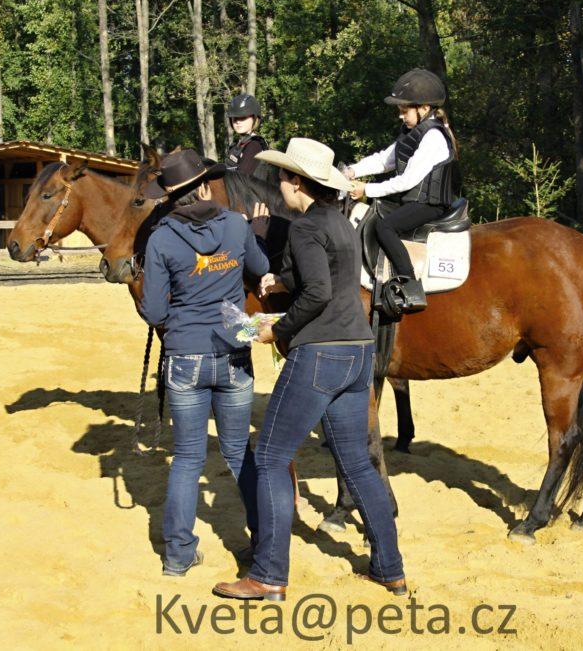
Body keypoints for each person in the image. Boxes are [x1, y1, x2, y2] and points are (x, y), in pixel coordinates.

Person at [212, 138, 407, 602]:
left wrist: (276, 331)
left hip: (320, 353)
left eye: (283, 177)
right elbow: (332, 277)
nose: (279, 185)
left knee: (269, 457)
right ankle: (390, 569)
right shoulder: (339, 222)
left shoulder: (303, 228)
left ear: (298, 183)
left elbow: (318, 293)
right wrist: (282, 280)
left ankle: (268, 575)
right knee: (356, 462)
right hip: (357, 350)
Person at [139, 148, 272, 576]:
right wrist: (256, 231)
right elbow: (260, 267)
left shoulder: (160, 239)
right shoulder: (235, 224)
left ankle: (178, 555)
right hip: (234, 349)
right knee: (239, 452)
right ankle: (263, 544)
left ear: (170, 196)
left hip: (185, 354)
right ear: (203, 187)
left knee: (187, 457)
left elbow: (154, 312)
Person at [344, 68, 462, 313]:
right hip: (415, 201)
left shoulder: (433, 138)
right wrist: (352, 171)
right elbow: (383, 160)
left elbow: (406, 181)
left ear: (424, 108)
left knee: (385, 226)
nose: (400, 116)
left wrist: (367, 188)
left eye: (404, 110)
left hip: (430, 205)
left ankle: (410, 286)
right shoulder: (413, 133)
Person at [224, 93, 269, 175]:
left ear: (255, 119)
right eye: (235, 118)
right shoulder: (236, 145)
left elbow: (242, 178)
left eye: (243, 117)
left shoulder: (254, 145)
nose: (238, 121)